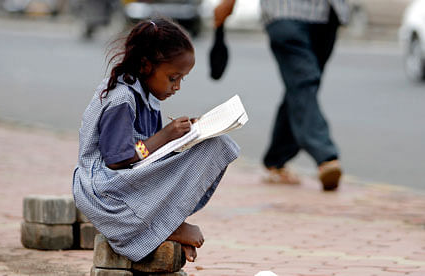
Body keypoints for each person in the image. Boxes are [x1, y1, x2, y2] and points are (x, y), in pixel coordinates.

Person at [72, 18, 240, 263]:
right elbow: (117, 159)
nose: (178, 86)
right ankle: (166, 228)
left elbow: (149, 157)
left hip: (124, 186)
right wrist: (166, 135)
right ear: (145, 65)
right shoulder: (121, 99)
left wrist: (187, 137)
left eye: (182, 79)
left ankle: (164, 227)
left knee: (214, 145)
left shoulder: (148, 97)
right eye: (173, 78)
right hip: (106, 196)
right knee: (216, 148)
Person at [214, 0, 349, 191]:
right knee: (304, 81)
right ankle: (326, 157)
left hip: (327, 13)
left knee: (300, 87)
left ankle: (276, 160)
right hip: (284, 11)